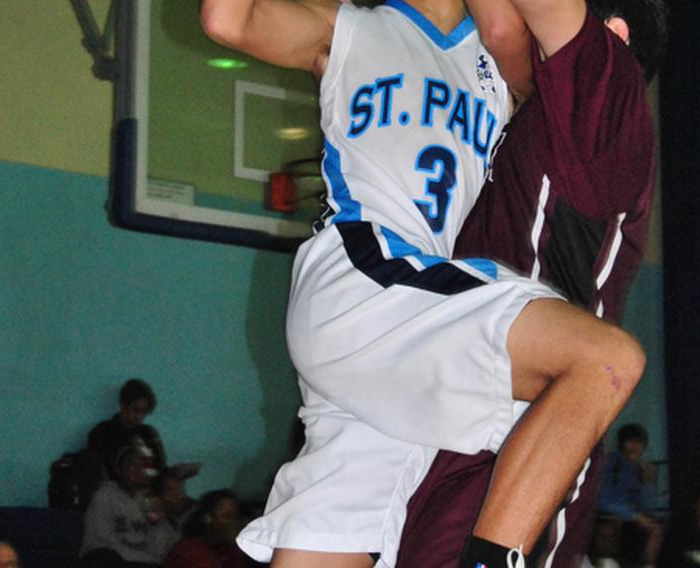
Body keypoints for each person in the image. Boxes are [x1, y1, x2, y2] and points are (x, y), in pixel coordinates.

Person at [201, 0, 646, 566]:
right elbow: (226, 19)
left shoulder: (501, 49)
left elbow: (520, 34)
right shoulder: (346, 27)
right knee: (600, 359)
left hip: (415, 331)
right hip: (363, 279)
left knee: (326, 547)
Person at [396, 0, 666, 564]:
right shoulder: (539, 112)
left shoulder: (610, 92)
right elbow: (498, 26)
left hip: (530, 424)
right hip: (474, 402)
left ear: (611, 34)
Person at [79, 445, 176, 567]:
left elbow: (165, 549)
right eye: (132, 465)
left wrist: (157, 524)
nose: (138, 470)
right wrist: (146, 560)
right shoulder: (105, 496)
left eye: (143, 466)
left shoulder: (150, 500)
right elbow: (103, 543)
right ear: (119, 470)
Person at [593, 424, 662, 568]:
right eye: (630, 441)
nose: (634, 447)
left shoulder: (639, 468)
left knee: (656, 528)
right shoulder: (611, 462)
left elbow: (646, 506)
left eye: (639, 443)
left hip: (630, 519)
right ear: (621, 443)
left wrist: (647, 484)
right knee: (611, 526)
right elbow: (602, 499)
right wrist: (633, 515)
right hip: (608, 516)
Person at [88, 378, 166, 480]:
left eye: (144, 412)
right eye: (135, 410)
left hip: (147, 488)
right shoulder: (102, 432)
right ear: (123, 406)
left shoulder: (148, 433)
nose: (139, 416)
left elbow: (159, 467)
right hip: (112, 489)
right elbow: (97, 469)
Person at [164, 490, 245, 568]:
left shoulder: (232, 552)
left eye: (234, 517)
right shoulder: (187, 551)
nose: (232, 523)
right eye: (227, 516)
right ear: (208, 518)